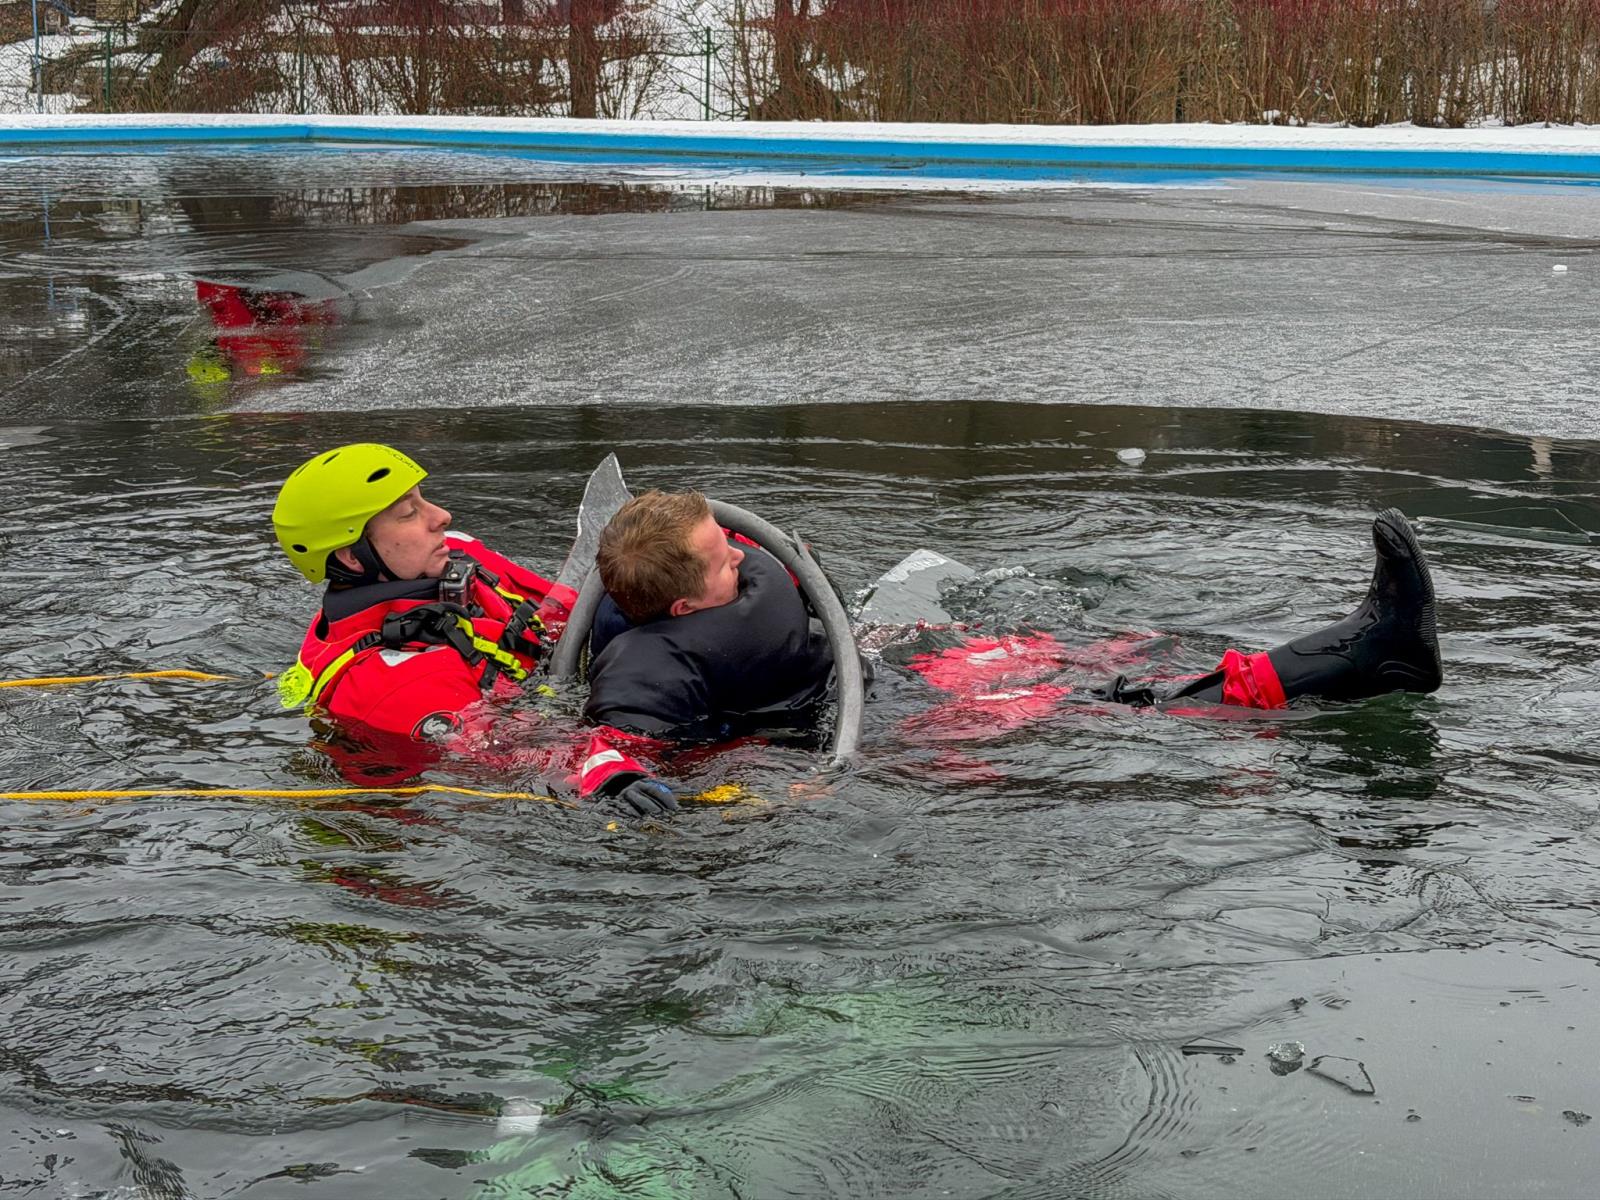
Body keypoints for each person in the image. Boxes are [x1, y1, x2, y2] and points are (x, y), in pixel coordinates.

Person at [584, 493, 1442, 742]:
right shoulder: (654, 672)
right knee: (1122, 709)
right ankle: (1365, 659)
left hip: (891, 675)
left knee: (1079, 663)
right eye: (722, 553)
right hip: (896, 729)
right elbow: (613, 761)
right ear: (688, 603)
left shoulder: (717, 602)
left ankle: (1321, 662)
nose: (742, 551)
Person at [271, 443, 680, 816]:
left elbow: (559, 605)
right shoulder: (394, 685)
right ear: (353, 558)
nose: (440, 517)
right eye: (408, 513)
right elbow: (510, 748)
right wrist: (610, 775)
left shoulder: (451, 553)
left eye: (422, 500)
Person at [584, 490, 834, 742]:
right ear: (684, 607)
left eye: (728, 545)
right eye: (725, 563)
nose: (741, 556)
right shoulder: (640, 682)